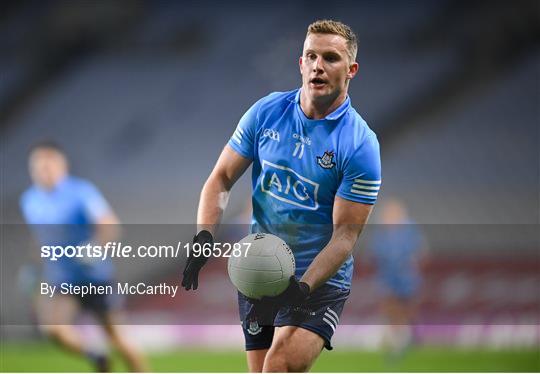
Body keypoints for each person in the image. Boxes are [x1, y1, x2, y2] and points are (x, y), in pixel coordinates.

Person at [182, 20, 381, 372]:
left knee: (278, 365)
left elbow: (346, 235)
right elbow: (221, 178)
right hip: (260, 269)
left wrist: (302, 288)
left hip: (319, 283)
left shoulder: (360, 144)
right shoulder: (266, 112)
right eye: (311, 56)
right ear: (300, 63)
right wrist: (203, 237)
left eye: (331, 58)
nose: (318, 65)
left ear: (351, 70)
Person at [20, 141, 148, 372]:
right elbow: (40, 237)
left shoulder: (81, 192)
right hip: (63, 281)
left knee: (118, 339)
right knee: (53, 330)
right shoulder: (29, 200)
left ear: (62, 166)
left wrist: (94, 247)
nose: (43, 171)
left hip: (94, 278)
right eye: (38, 167)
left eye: (48, 165)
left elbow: (110, 225)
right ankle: (96, 356)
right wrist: (33, 267)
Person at [367, 198, 428, 359]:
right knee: (390, 307)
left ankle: (409, 337)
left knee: (407, 309)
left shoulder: (409, 229)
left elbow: (420, 251)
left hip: (406, 277)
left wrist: (412, 265)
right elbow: (375, 254)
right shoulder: (382, 232)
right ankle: (397, 340)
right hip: (388, 277)